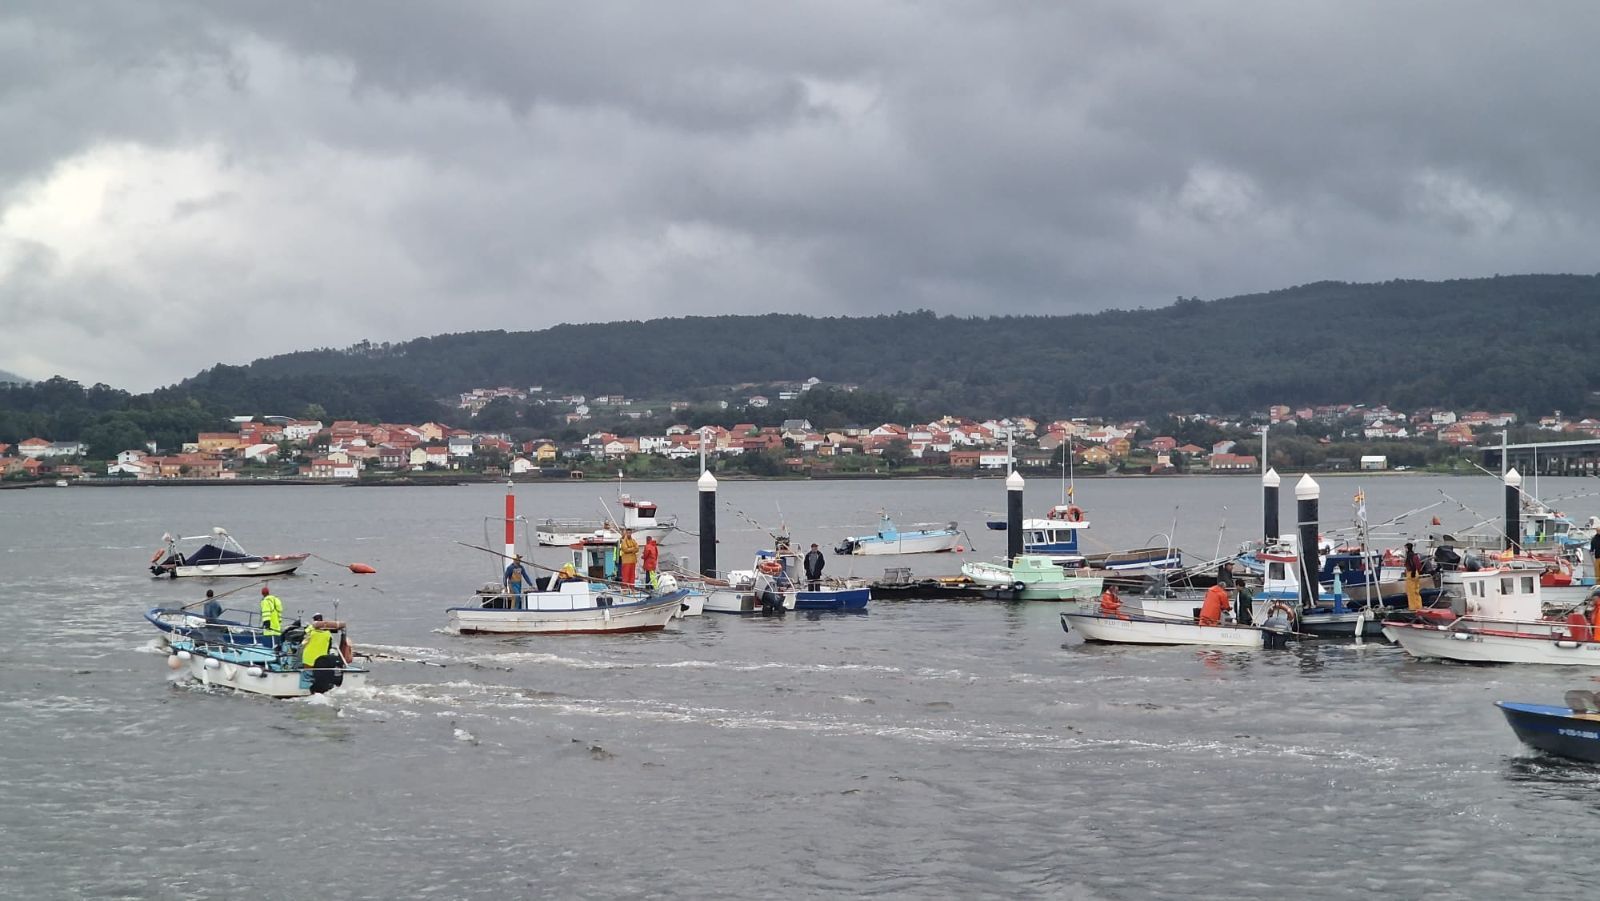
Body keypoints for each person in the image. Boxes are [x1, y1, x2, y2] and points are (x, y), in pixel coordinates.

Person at [1403, 542, 1424, 611]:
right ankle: (1419, 606)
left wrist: (1413, 572)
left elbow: (1412, 565)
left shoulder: (1409, 555)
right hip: (1416, 574)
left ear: (1407, 548)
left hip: (1411, 573)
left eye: (1405, 548)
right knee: (1416, 591)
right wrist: (1418, 571)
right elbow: (1418, 565)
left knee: (1410, 592)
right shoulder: (1415, 555)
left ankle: (1412, 607)